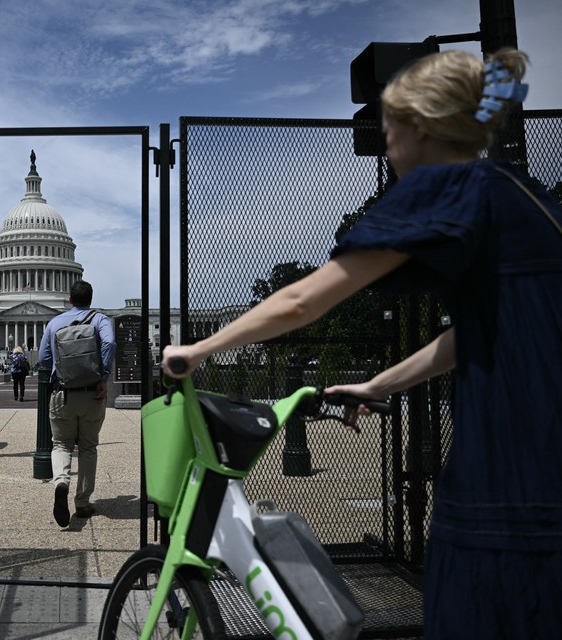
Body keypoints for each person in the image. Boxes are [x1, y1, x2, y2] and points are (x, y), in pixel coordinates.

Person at [162, 49, 562, 638]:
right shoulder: (525, 197)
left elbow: (304, 302)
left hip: (504, 476)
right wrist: (379, 384)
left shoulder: (447, 187)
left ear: (419, 127)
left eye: (388, 129)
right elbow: (479, 330)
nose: (387, 146)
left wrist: (198, 350)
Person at [38, 280, 116, 527]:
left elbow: (42, 358)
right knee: (88, 447)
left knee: (60, 444)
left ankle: (61, 482)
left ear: (69, 299)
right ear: (90, 299)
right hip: (92, 393)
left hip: (63, 394)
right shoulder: (100, 320)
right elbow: (110, 343)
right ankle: (82, 502)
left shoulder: (54, 323)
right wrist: (102, 376)